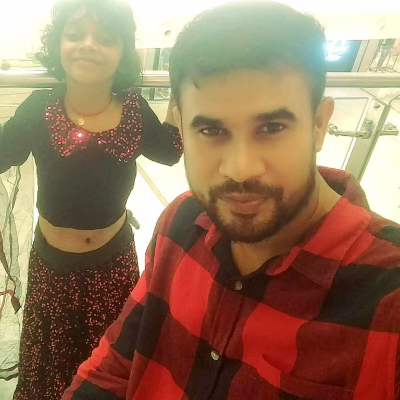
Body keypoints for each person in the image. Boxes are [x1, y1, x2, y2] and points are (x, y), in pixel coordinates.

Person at [63, 2, 400, 399]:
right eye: (211, 130)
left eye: (272, 127)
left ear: (319, 123)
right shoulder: (180, 222)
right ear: (181, 128)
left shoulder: (387, 296)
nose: (240, 169)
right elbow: (116, 365)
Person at [0, 0, 182, 398]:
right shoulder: (38, 108)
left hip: (112, 267)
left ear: (122, 52)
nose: (88, 45)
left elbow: (170, 151)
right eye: (75, 34)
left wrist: (181, 93)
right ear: (58, 44)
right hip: (51, 268)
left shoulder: (134, 110)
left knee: (109, 362)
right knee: (50, 370)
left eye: (106, 38)